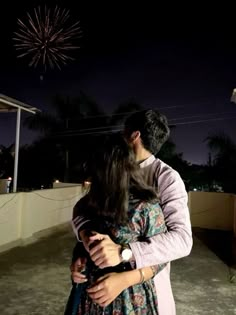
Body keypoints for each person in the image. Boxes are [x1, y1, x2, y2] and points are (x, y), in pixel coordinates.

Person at [72, 109, 193, 315]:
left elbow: (181, 240)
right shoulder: (111, 171)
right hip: (96, 297)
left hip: (144, 293)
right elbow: (83, 209)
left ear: (133, 136)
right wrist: (86, 243)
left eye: (123, 132)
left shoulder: (166, 178)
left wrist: (124, 253)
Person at [67, 133, 167, 314]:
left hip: (130, 303)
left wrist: (124, 279)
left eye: (96, 169)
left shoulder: (146, 207)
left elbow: (161, 260)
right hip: (88, 302)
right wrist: (78, 261)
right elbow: (83, 241)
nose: (90, 177)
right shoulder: (90, 204)